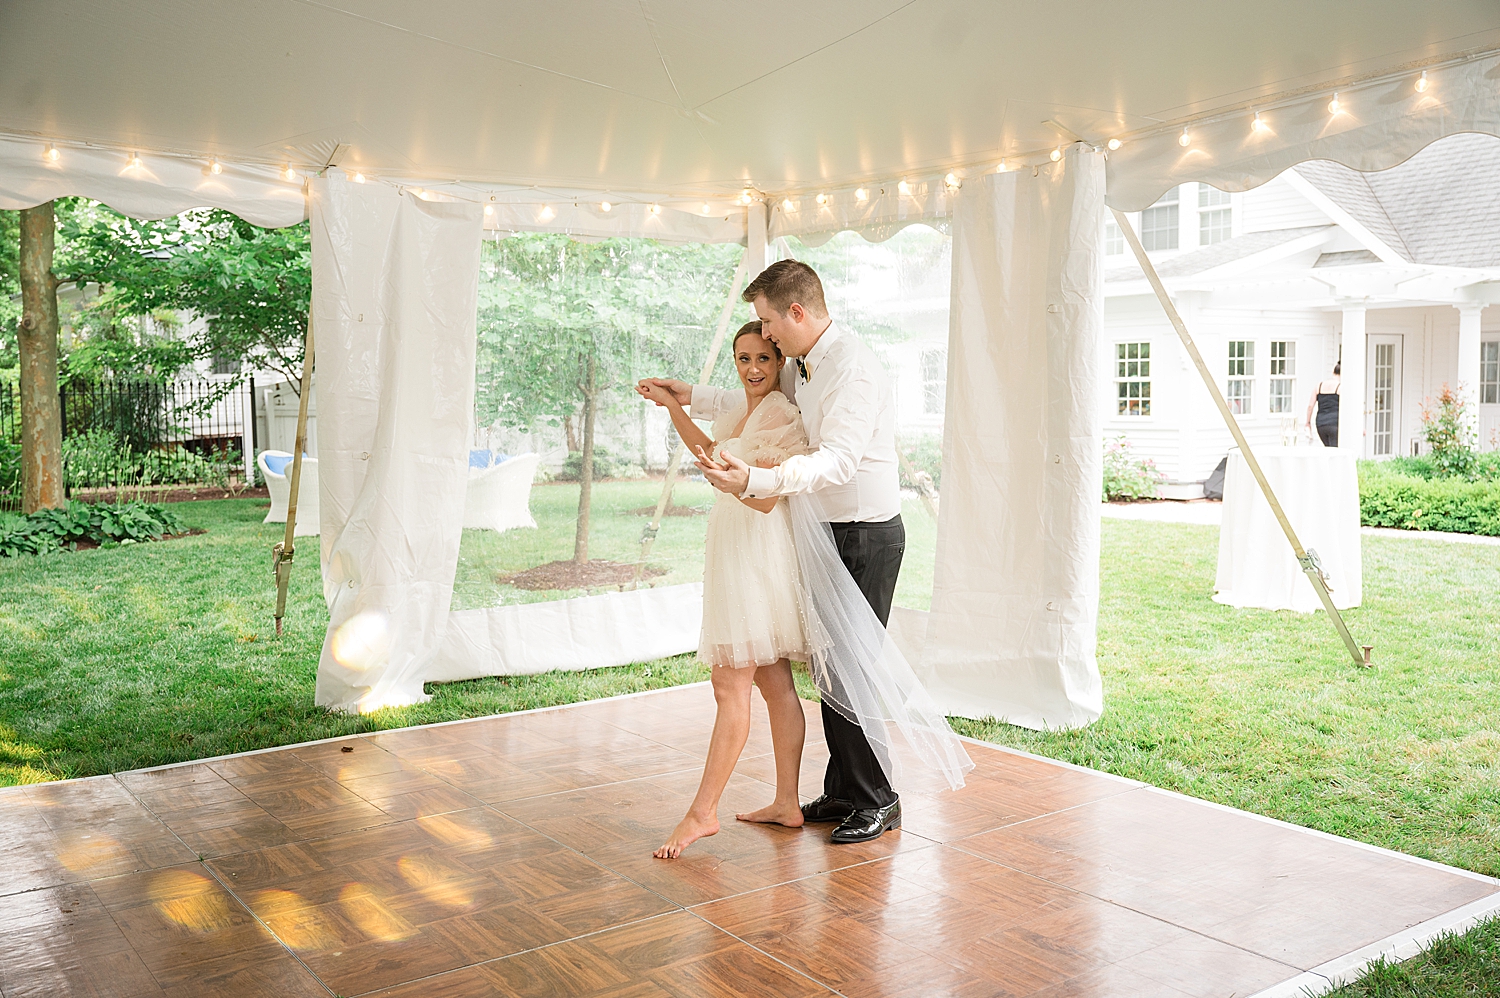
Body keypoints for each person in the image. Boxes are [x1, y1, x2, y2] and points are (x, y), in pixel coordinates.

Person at [641, 259, 971, 845]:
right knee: (827, 668)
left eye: (767, 323)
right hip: (825, 532)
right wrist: (687, 396)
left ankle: (878, 799)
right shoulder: (804, 363)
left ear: (796, 312)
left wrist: (757, 482)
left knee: (853, 670)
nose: (764, 336)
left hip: (865, 534)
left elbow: (839, 459)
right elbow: (752, 393)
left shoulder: (854, 370)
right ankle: (845, 789)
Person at [639, 322, 812, 859]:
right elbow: (711, 451)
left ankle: (702, 812)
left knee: (729, 685)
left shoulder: (781, 414)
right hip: (737, 546)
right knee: (774, 682)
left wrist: (729, 479)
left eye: (763, 357)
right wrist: (674, 410)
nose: (753, 368)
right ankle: (787, 802)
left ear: (779, 359)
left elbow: (763, 500)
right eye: (743, 359)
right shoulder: (741, 408)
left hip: (756, 551)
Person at [1306, 363, 1341, 446]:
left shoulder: (1319, 386)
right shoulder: (1340, 387)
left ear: (1333, 372)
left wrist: (1308, 422)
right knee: (1335, 450)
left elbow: (1310, 406)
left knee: (1328, 448)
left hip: (1321, 424)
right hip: (1334, 423)